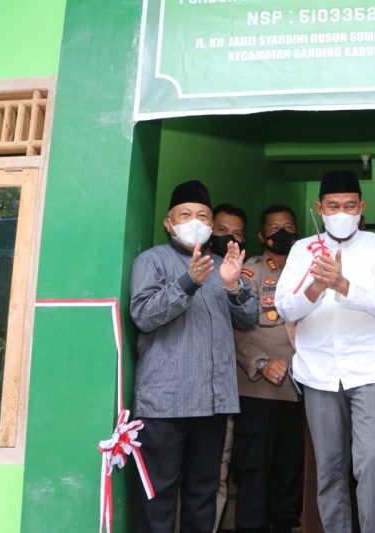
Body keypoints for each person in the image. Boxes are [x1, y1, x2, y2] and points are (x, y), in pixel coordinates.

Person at [275, 170, 375, 533]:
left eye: (349, 205)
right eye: (333, 206)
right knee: (330, 468)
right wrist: (317, 288)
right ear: (319, 208)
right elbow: (285, 307)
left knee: (373, 459)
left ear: (362, 207)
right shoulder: (303, 250)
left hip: (371, 370)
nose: (341, 213)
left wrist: (343, 285)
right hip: (319, 372)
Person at [130, 180, 258, 533]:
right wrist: (187, 282)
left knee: (203, 495)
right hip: (164, 405)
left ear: (211, 224)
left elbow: (249, 319)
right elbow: (144, 316)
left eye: (202, 215)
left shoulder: (222, 265)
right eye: (185, 214)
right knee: (157, 498)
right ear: (169, 224)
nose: (194, 221)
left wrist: (232, 285)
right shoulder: (152, 260)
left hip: (212, 404)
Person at [231, 204, 304, 533]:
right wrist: (261, 363)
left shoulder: (309, 271)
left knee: (291, 472)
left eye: (288, 226)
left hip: (300, 392)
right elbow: (235, 329)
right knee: (255, 474)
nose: (282, 232)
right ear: (262, 236)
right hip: (259, 391)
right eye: (274, 228)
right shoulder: (251, 271)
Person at [207, 201, 247, 532]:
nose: (228, 238)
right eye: (221, 230)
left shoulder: (240, 275)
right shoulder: (179, 266)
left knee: (216, 474)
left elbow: (250, 321)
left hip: (222, 394)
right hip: (177, 397)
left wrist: (233, 284)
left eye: (236, 234)